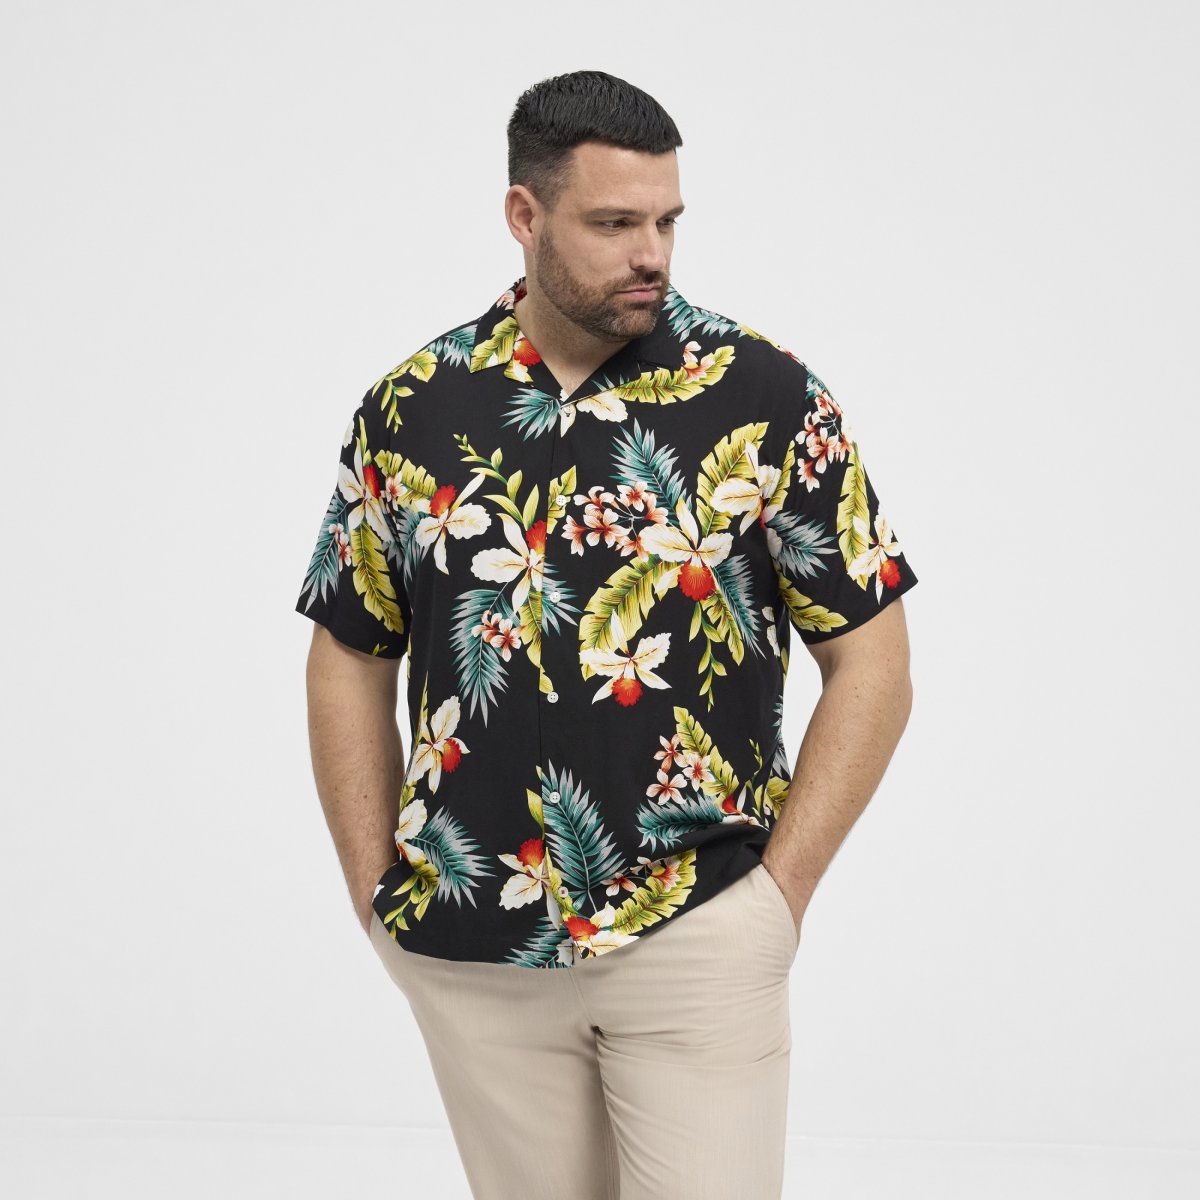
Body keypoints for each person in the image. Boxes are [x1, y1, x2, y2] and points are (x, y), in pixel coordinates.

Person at [295, 68, 917, 1200]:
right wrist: (373, 890)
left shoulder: (765, 396)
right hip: (472, 945)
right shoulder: (412, 408)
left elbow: (871, 658)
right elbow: (348, 649)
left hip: (698, 924)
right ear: (524, 215)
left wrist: (778, 899)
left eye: (668, 221)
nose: (652, 254)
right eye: (616, 223)